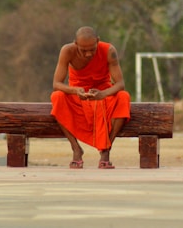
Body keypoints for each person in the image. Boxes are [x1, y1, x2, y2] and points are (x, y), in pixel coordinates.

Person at [50, 26, 131, 169]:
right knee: (57, 97)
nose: (88, 54)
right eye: (83, 50)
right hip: (78, 94)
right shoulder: (67, 51)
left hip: (103, 94)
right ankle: (76, 149)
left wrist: (103, 94)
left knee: (123, 97)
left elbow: (120, 84)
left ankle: (106, 149)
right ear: (75, 43)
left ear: (98, 41)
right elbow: (56, 84)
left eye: (92, 50)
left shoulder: (109, 51)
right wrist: (75, 91)